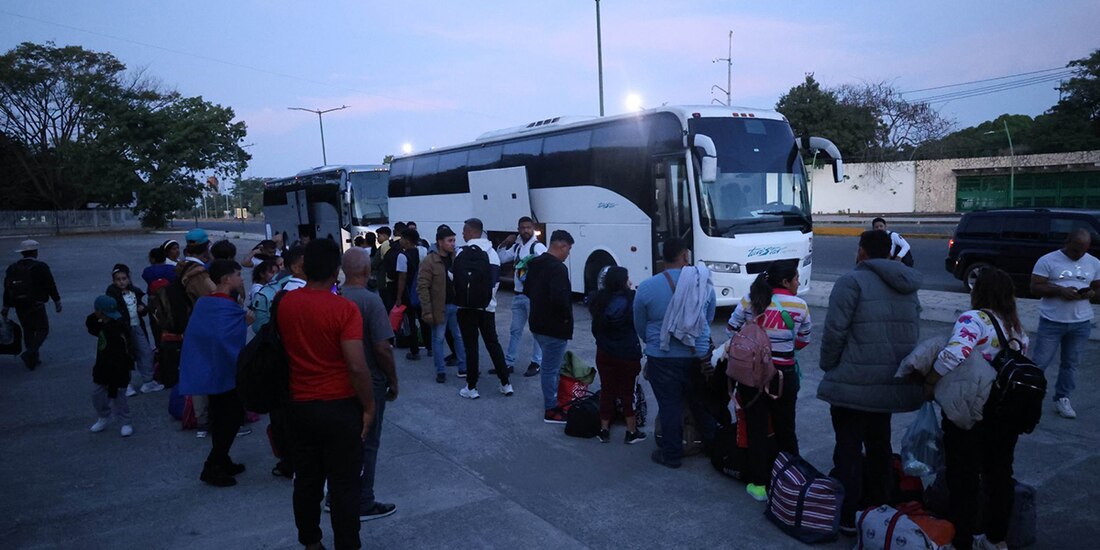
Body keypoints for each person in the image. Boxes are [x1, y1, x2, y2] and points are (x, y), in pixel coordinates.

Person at [818, 229, 925, 534]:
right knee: (879, 447)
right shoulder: (908, 285)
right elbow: (912, 334)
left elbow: (834, 332)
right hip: (889, 384)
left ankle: (849, 515)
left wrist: (829, 365)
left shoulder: (851, 282)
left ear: (862, 251)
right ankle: (880, 512)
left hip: (852, 383)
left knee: (848, 450)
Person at [277, 238, 375, 550]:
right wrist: (369, 407)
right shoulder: (344, 309)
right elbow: (358, 367)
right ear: (336, 271)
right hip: (339, 406)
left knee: (306, 481)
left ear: (304, 268)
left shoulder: (286, 303)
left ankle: (311, 542)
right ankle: (347, 545)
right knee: (345, 485)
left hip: (300, 406)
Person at [925, 268, 1029, 550]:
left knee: (963, 476)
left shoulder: (974, 319)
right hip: (1005, 413)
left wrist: (931, 381)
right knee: (999, 475)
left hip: (971, 410)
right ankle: (996, 538)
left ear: (980, 292)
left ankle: (962, 539)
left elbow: (954, 354)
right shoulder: (1014, 327)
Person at [726, 259, 811, 501]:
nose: (797, 282)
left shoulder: (750, 299)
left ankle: (758, 485)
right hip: (784, 377)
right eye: (796, 278)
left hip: (751, 378)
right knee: (786, 428)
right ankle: (792, 480)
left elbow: (732, 330)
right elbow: (803, 340)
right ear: (785, 281)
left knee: (757, 429)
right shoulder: (799, 306)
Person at [633, 238, 717, 469]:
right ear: (685, 257)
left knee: (670, 405)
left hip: (662, 356)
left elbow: (640, 323)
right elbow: (708, 319)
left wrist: (652, 342)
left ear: (663, 259)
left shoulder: (647, 287)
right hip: (697, 357)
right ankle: (713, 446)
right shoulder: (703, 286)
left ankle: (671, 454)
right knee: (701, 402)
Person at [337, 248, 399, 521]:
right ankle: (364, 500)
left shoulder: (336, 297)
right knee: (369, 442)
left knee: (342, 442)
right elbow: (382, 348)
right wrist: (393, 380)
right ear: (366, 271)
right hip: (370, 382)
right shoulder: (370, 301)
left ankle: (335, 496)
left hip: (339, 382)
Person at [178, 260, 249, 487]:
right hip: (224, 372)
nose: (241, 278)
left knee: (222, 417)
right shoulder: (225, 307)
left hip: (213, 370)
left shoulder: (205, 303)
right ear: (227, 279)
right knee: (230, 418)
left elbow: (203, 335)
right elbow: (223, 338)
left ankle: (223, 459)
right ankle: (213, 465)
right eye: (237, 275)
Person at [1028, 227, 1100, 419]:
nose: (1079, 254)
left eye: (1084, 250)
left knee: (1071, 364)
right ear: (1067, 242)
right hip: (1052, 321)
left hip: (1081, 323)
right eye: (1076, 249)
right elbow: (1034, 287)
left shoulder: (1094, 263)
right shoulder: (1048, 260)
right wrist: (1060, 291)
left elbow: (1098, 289)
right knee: (1040, 363)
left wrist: (1092, 294)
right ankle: (1029, 397)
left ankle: (1062, 398)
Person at [454, 218, 512, 399]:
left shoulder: (459, 252)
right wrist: (487, 300)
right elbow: (495, 281)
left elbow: (451, 276)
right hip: (487, 307)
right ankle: (506, 383)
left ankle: (471, 387)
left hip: (465, 307)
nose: (463, 234)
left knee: (471, 346)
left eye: (464, 231)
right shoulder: (492, 253)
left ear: (471, 232)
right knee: (492, 343)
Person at [588, 266, 646, 444]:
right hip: (627, 352)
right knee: (628, 392)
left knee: (607, 389)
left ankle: (603, 430)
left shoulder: (597, 300)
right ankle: (631, 431)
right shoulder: (632, 299)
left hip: (605, 351)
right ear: (623, 281)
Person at [525, 230, 576, 422]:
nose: (568, 254)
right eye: (568, 249)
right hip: (554, 327)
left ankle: (553, 401)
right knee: (550, 368)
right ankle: (551, 408)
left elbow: (528, 290)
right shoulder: (558, 269)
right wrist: (565, 320)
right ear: (561, 246)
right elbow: (560, 299)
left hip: (537, 324)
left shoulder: (535, 264)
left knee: (549, 366)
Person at [498, 216, 548, 377]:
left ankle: (536, 362)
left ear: (532, 228)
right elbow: (500, 258)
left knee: (537, 330)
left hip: (533, 297)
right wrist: (505, 242)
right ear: (518, 229)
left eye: (528, 227)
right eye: (522, 228)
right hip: (518, 295)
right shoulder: (518, 248)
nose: (525, 230)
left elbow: (549, 268)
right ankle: (509, 363)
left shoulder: (538, 248)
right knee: (515, 330)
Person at [2, 239, 62, 369]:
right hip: (36, 304)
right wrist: (57, 301)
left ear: (22, 253)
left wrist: (5, 307)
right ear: (35, 252)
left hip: (19, 304)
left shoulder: (12, 268)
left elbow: (7, 289)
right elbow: (50, 285)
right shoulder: (41, 267)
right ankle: (30, 353)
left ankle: (33, 359)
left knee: (28, 330)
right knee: (42, 329)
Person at [418, 226, 467, 383]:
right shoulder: (430, 261)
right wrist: (427, 310)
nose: (453, 244)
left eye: (454, 240)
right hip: (439, 307)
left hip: (455, 305)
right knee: (438, 339)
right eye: (449, 241)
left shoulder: (456, 258)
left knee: (458, 337)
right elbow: (423, 287)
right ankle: (440, 370)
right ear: (440, 242)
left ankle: (463, 368)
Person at [106, 264, 163, 397]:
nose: (121, 282)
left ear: (129, 278)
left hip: (136, 326)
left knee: (145, 352)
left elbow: (141, 306)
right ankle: (126, 384)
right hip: (122, 329)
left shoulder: (134, 291)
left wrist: (142, 308)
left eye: (124, 278)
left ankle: (148, 381)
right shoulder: (112, 294)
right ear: (113, 281)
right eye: (118, 279)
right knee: (124, 355)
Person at [86, 295, 135, 437]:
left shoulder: (117, 328)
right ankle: (103, 416)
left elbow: (124, 352)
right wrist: (99, 314)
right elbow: (90, 324)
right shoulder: (102, 324)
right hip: (102, 368)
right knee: (97, 395)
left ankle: (126, 422)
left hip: (119, 370)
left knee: (120, 398)